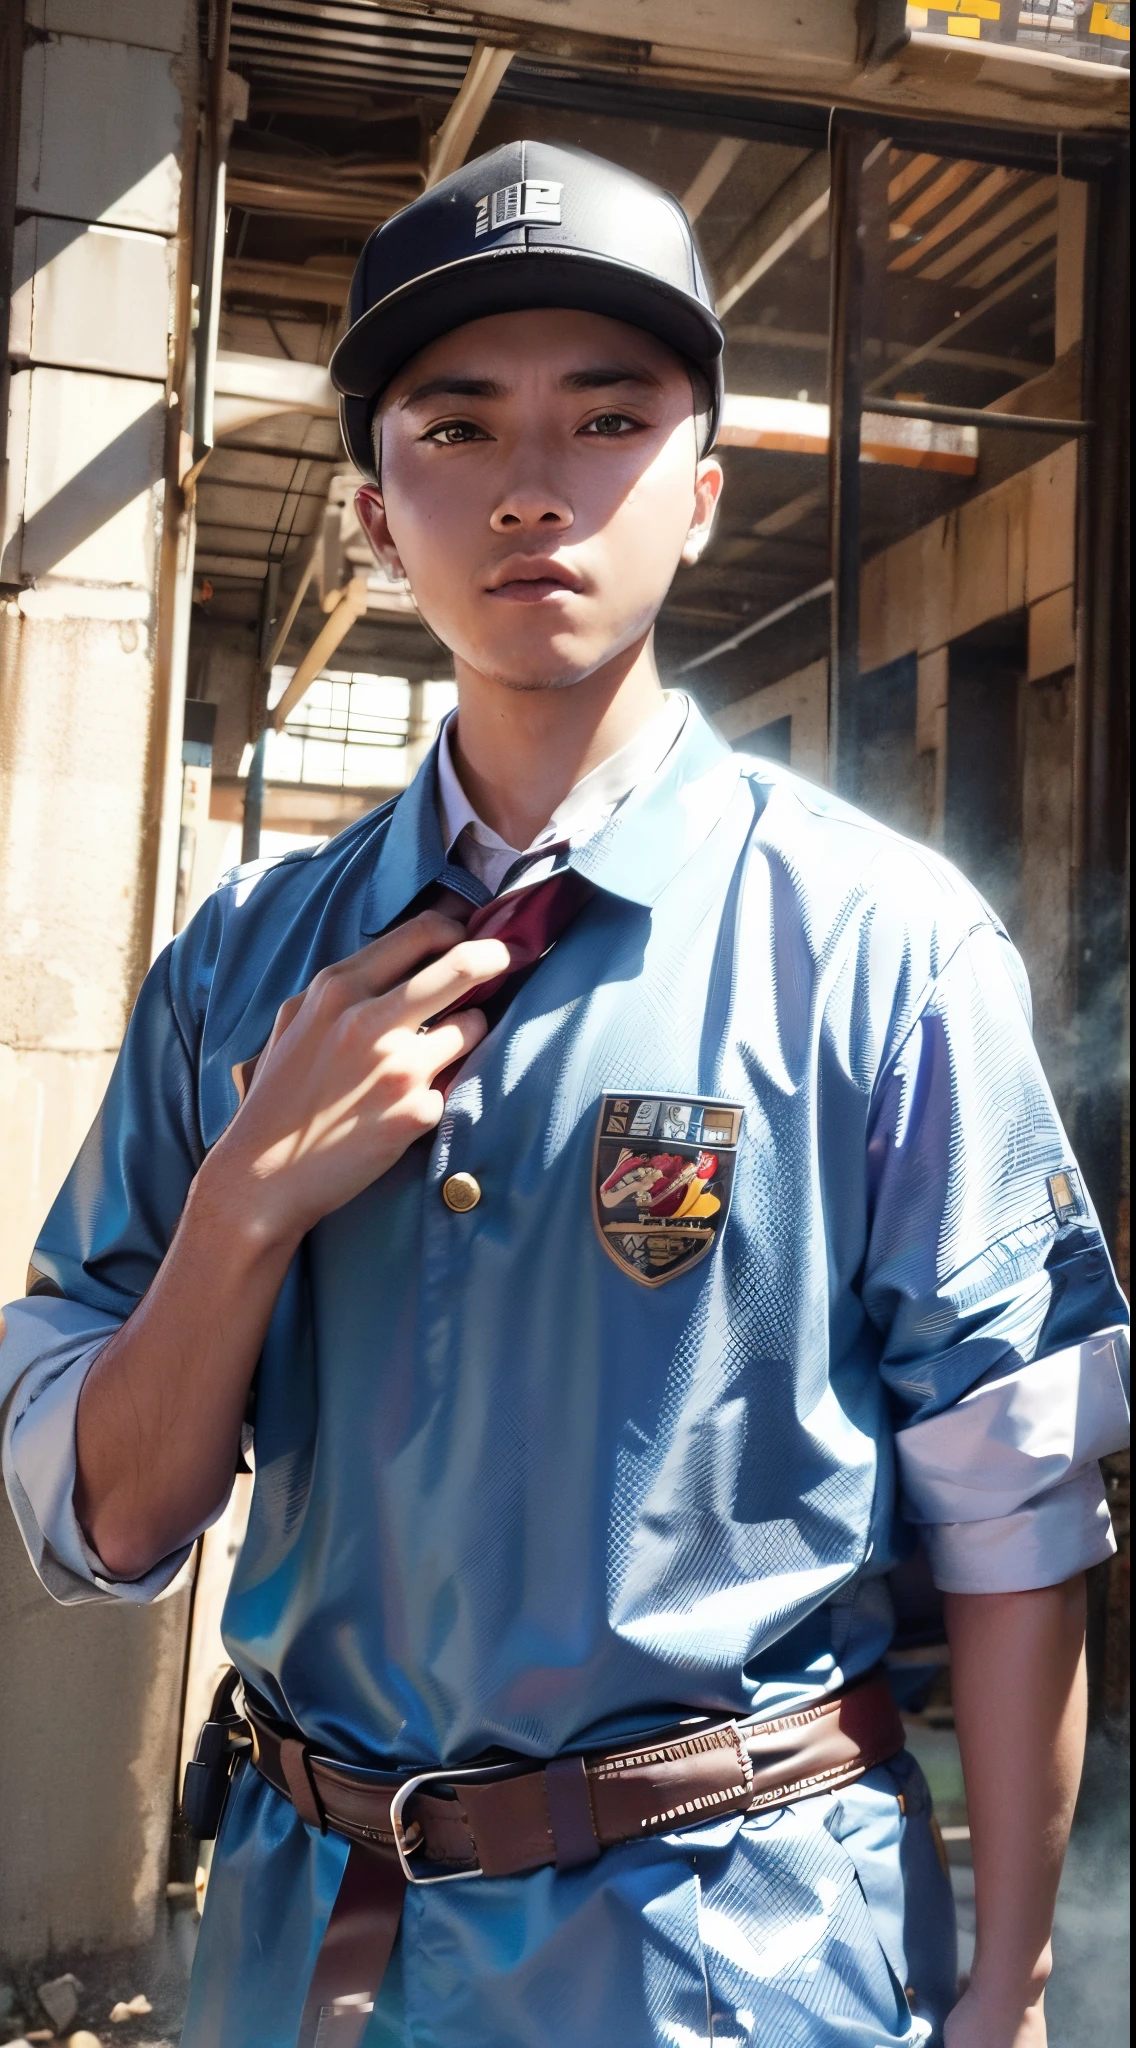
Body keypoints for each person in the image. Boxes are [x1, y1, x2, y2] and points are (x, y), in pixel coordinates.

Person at [1, 141, 1129, 2048]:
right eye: (458, 426)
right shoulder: (240, 972)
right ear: (374, 513)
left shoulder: (886, 955)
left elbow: (1015, 1511)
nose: (534, 486)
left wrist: (1005, 1999)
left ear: (699, 495)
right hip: (314, 1959)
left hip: (737, 1963)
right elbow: (112, 1526)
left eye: (608, 421)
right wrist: (249, 1203)